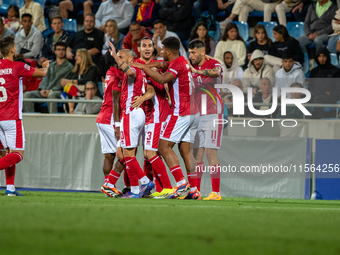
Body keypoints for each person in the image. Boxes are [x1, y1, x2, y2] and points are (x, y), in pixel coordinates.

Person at [131, 36, 200, 199]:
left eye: (162, 50)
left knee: (163, 147)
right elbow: (162, 65)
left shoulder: (176, 65)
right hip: (194, 112)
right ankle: (194, 189)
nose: (160, 52)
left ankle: (181, 184)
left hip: (181, 112)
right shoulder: (182, 61)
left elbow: (162, 79)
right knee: (185, 151)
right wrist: (147, 65)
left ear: (168, 51)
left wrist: (142, 66)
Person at [0, 36, 48, 196]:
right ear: (12, 49)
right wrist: (46, 65)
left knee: (8, 153)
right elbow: (42, 73)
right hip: (12, 117)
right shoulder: (17, 66)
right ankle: (10, 188)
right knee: (18, 154)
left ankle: (10, 189)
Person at [127, 36, 174, 198]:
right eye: (144, 46)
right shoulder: (134, 66)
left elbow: (152, 89)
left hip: (155, 114)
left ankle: (166, 187)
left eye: (150, 46)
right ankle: (148, 188)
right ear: (138, 49)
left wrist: (142, 98)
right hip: (140, 115)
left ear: (154, 48)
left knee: (150, 153)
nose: (147, 48)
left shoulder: (157, 66)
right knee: (142, 154)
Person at [109, 44, 155, 198]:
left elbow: (130, 71)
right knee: (127, 154)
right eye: (118, 58)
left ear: (130, 59)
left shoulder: (134, 70)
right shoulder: (136, 71)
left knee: (128, 154)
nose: (118, 60)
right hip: (134, 113)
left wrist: (115, 55)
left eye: (121, 58)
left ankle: (145, 181)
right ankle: (135, 190)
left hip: (131, 114)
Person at [187, 40, 224, 201]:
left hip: (213, 113)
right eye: (189, 52)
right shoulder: (190, 66)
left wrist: (197, 71)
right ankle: (196, 191)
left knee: (210, 152)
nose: (191, 56)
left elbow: (216, 72)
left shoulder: (214, 63)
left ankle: (216, 192)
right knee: (197, 155)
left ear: (202, 52)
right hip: (197, 115)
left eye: (194, 52)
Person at [98, 51, 125, 197]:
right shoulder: (117, 75)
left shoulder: (110, 72)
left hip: (103, 117)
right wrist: (117, 124)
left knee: (109, 155)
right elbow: (116, 100)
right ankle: (110, 185)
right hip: (110, 118)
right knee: (125, 153)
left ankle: (108, 185)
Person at [24, 42, 73, 113]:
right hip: (46, 90)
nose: (61, 51)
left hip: (59, 92)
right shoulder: (51, 65)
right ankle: (31, 119)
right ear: (55, 51)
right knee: (27, 95)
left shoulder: (69, 67)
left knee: (51, 95)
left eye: (63, 49)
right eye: (59, 49)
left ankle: (52, 119)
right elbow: (45, 78)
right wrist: (42, 89)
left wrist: (51, 91)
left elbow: (63, 82)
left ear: (65, 51)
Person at [61, 48, 99, 114]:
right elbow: (69, 81)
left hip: (89, 93)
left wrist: (71, 81)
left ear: (83, 57)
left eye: (77, 56)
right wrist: (64, 82)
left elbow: (88, 80)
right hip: (76, 94)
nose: (75, 58)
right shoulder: (75, 70)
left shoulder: (93, 68)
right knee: (67, 89)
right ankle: (69, 113)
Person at [308, 47, 340, 119]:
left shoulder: (336, 71)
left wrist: (330, 93)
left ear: (327, 57)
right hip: (316, 94)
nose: (321, 58)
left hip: (331, 96)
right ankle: (304, 121)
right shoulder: (314, 71)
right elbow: (310, 88)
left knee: (317, 99)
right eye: (319, 56)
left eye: (323, 56)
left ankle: (319, 121)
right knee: (303, 98)